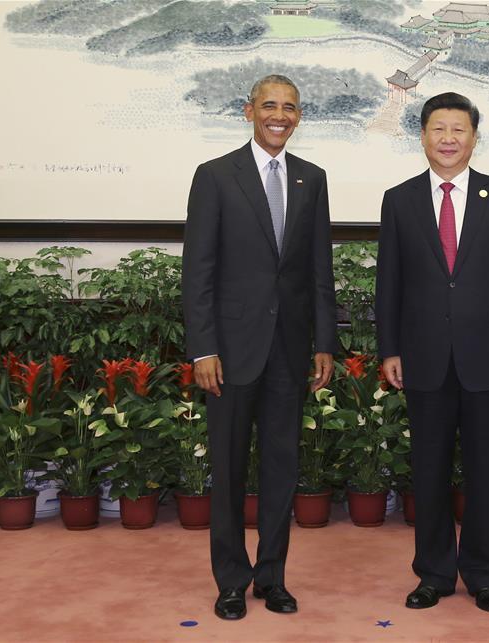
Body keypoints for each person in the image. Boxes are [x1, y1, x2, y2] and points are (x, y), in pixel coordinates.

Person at [375, 92, 489, 613]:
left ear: (474, 137)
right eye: (438, 129)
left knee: (485, 470)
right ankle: (434, 573)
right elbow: (389, 284)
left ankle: (485, 575)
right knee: (428, 470)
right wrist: (390, 349)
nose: (448, 138)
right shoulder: (398, 199)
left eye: (459, 130)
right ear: (422, 135)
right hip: (423, 356)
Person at [182, 74, 337, 620]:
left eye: (289, 107)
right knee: (227, 471)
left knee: (281, 465)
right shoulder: (215, 176)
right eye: (269, 105)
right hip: (228, 351)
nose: (279, 115)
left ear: (299, 116)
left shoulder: (311, 179)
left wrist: (324, 342)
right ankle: (230, 580)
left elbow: (320, 269)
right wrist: (202, 349)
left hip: (290, 351)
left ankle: (272, 576)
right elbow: (197, 271)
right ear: (249, 110)